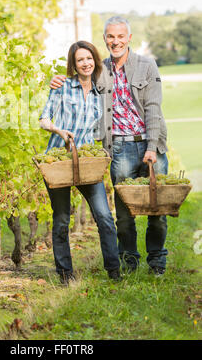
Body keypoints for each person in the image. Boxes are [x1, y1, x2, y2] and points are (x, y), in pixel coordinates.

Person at [50, 17, 169, 276]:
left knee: (157, 209)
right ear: (105, 39)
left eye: (120, 36)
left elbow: (153, 109)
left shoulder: (147, 65)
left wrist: (151, 146)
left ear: (129, 38)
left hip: (150, 144)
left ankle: (157, 262)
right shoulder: (100, 70)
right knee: (124, 216)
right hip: (118, 149)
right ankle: (129, 262)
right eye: (110, 37)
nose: (115, 41)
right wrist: (58, 80)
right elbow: (77, 82)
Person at [39, 40, 121, 285]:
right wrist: (59, 130)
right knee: (62, 218)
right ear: (73, 65)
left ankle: (114, 271)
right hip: (60, 161)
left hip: (86, 161)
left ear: (95, 59)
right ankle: (65, 274)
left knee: (104, 216)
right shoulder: (62, 86)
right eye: (80, 60)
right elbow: (43, 119)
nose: (85, 63)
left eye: (89, 58)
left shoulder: (101, 91)